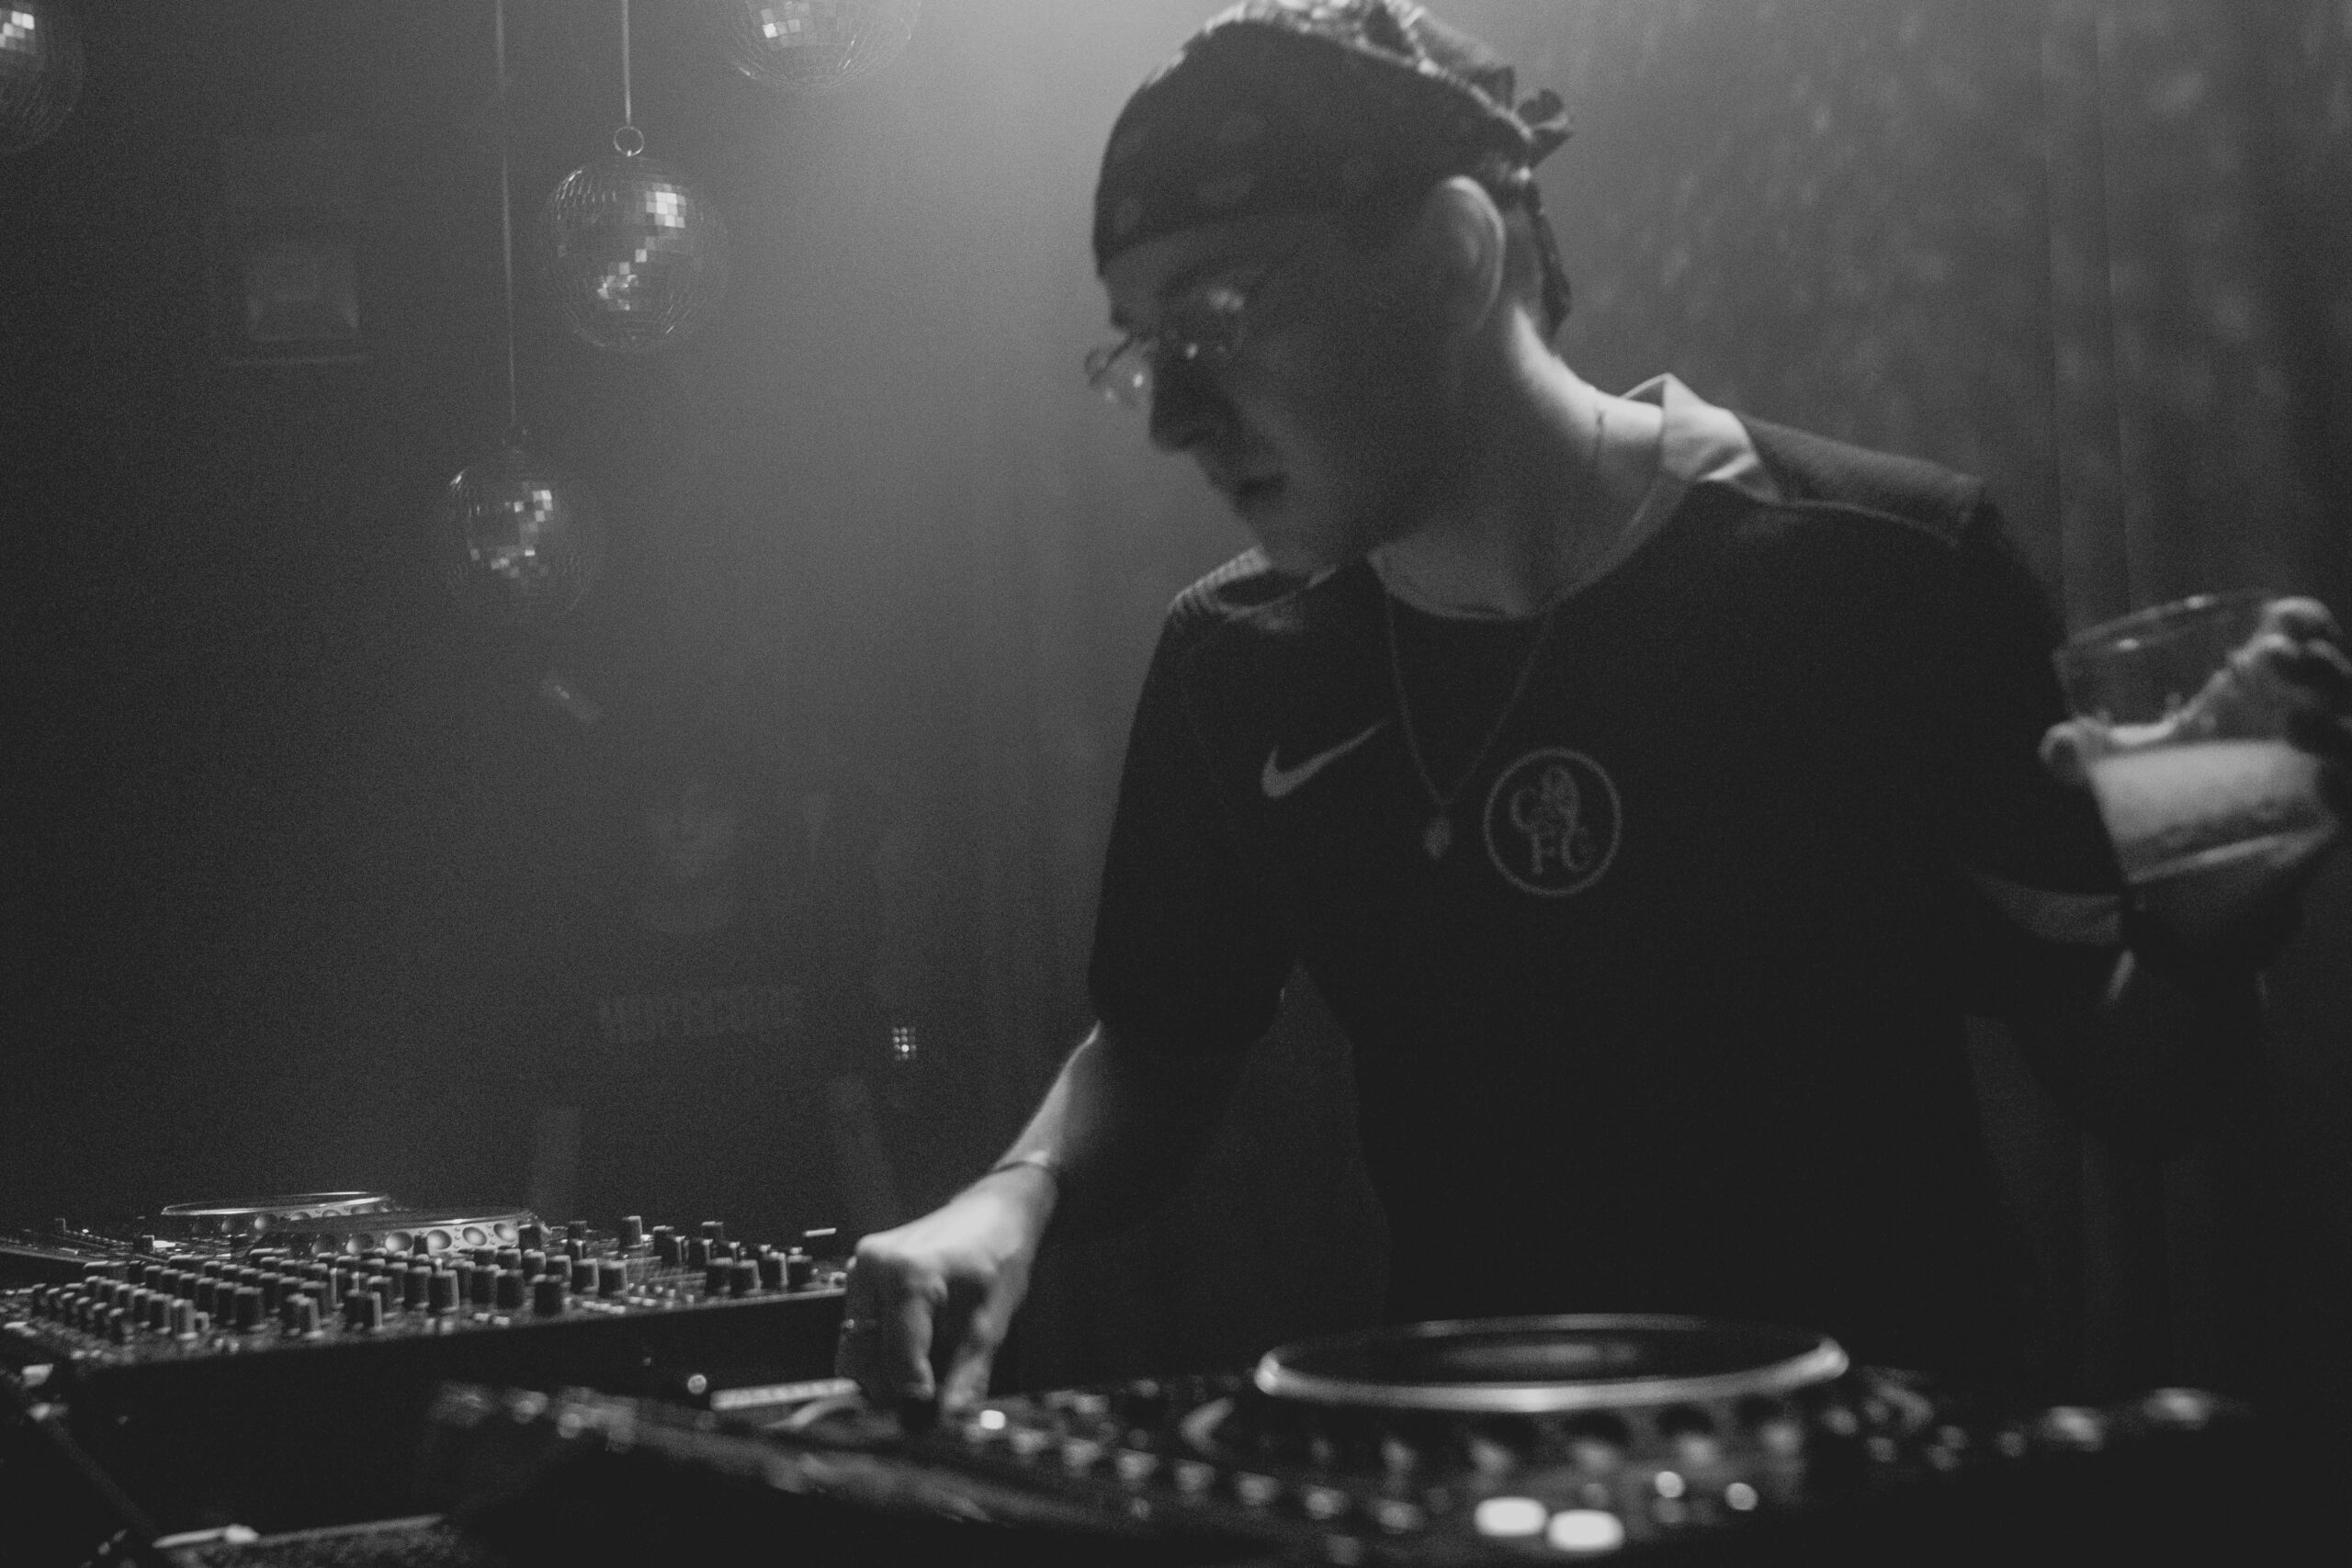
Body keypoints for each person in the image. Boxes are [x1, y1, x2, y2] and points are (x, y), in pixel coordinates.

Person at [840, 0, 2352, 1408]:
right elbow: (1160, 1048)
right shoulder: (1235, 662)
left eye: (1218, 314)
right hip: (1469, 1468)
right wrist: (1006, 1203)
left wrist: (2206, 929)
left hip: (1889, 1477)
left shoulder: (1888, 567)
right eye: (1142, 348)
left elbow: (2140, 1090)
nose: (1172, 417)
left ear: (1453, 256)